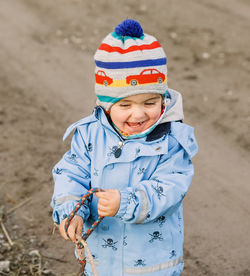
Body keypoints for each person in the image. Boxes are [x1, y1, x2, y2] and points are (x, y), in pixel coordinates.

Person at [51, 19, 198, 276]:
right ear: (106, 104)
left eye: (150, 102)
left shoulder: (172, 141)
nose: (139, 114)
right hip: (101, 260)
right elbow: (71, 173)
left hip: (152, 263)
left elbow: (171, 188)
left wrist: (127, 202)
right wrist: (71, 210)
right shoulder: (89, 134)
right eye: (125, 105)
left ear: (162, 99)